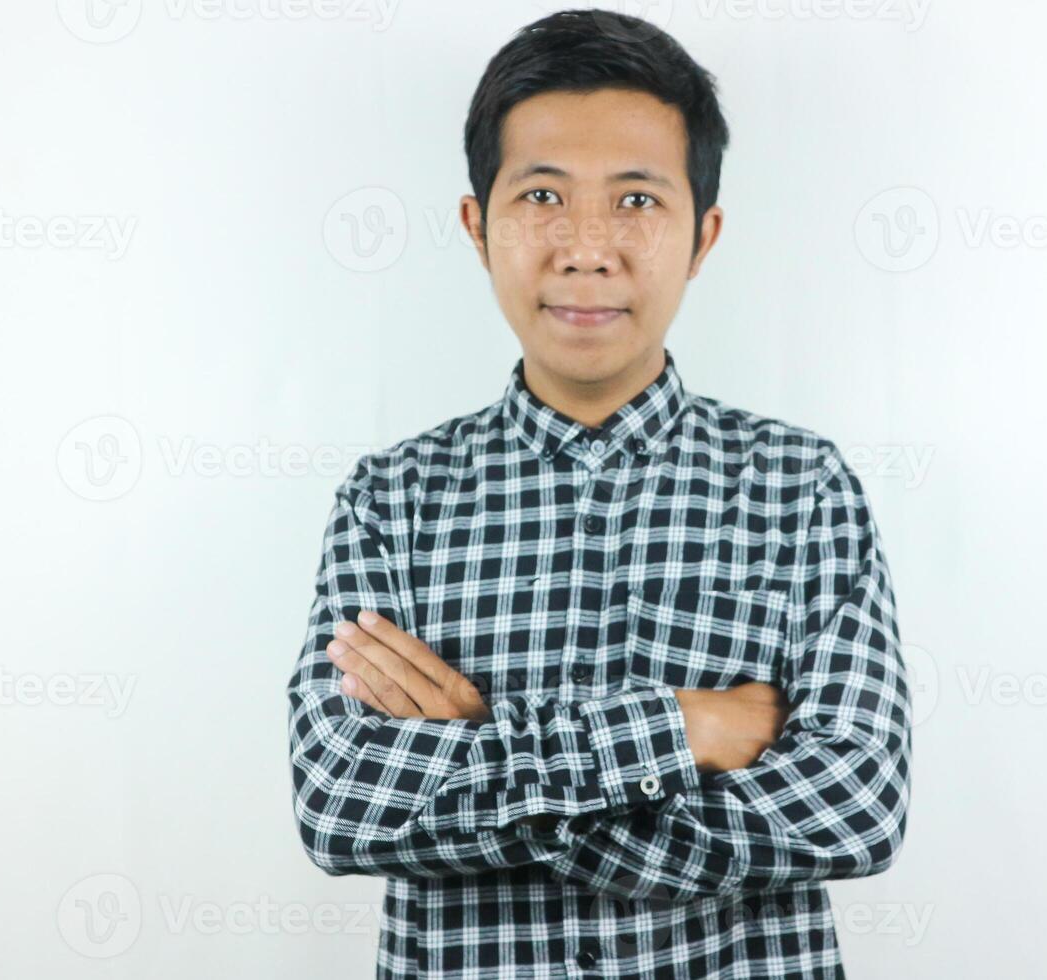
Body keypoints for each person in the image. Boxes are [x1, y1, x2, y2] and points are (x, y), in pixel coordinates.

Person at [286, 10, 911, 978]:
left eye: (634, 202)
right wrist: (685, 727)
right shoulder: (390, 501)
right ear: (475, 225)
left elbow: (854, 802)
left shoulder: (802, 490)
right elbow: (339, 798)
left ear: (701, 235)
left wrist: (481, 762)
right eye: (541, 194)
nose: (585, 248)